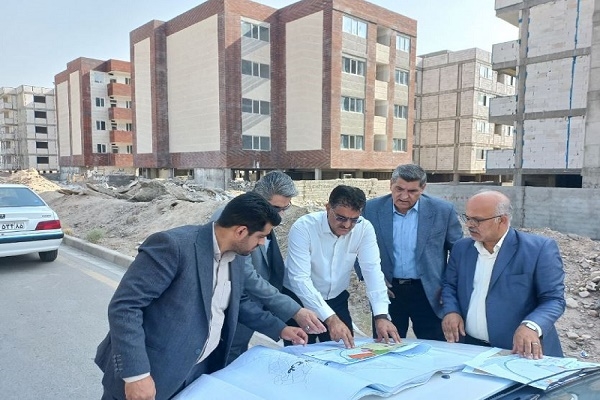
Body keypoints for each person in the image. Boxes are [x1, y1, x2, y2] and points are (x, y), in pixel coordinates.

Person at [95, 192, 309, 400]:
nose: (262, 243)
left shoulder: (237, 257)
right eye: (261, 236)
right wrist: (136, 375)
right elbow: (125, 307)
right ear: (241, 231)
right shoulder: (174, 246)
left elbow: (236, 302)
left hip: (197, 373)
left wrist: (280, 328)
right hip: (151, 373)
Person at [211, 171, 326, 364]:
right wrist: (294, 310)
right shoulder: (231, 219)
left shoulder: (263, 220)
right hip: (228, 317)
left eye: (285, 208)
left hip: (249, 315)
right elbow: (247, 277)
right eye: (275, 208)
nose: (279, 215)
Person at [441, 190, 566, 359]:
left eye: (477, 220)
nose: (469, 224)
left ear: (502, 220)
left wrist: (531, 326)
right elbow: (449, 285)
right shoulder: (461, 248)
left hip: (519, 352)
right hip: (470, 347)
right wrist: (451, 311)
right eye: (467, 218)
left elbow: (553, 299)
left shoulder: (538, 249)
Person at [283, 185, 401, 349]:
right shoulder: (304, 227)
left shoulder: (364, 228)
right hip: (300, 301)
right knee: (300, 355)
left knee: (345, 353)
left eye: (354, 220)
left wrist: (381, 315)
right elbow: (299, 279)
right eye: (341, 218)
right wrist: (330, 318)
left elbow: (372, 270)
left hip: (337, 299)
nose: (347, 225)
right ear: (327, 208)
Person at [360, 164, 463, 341]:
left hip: (429, 292)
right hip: (388, 291)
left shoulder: (443, 211)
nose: (404, 196)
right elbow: (355, 246)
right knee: (387, 346)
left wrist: (448, 287)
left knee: (433, 347)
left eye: (412, 191)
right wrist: (371, 278)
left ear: (423, 188)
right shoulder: (371, 209)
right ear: (390, 185)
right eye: (399, 189)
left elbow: (458, 254)